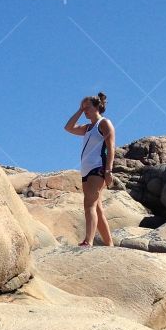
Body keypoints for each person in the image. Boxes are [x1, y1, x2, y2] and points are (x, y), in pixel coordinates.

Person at [64, 92, 116, 247]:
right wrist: (79, 110)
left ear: (97, 107)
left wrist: (108, 170)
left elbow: (111, 146)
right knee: (97, 209)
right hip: (86, 171)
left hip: (97, 168)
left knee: (89, 205)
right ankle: (110, 244)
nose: (85, 110)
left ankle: (88, 241)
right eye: (83, 107)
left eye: (88, 107)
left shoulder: (104, 123)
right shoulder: (87, 128)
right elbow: (68, 127)